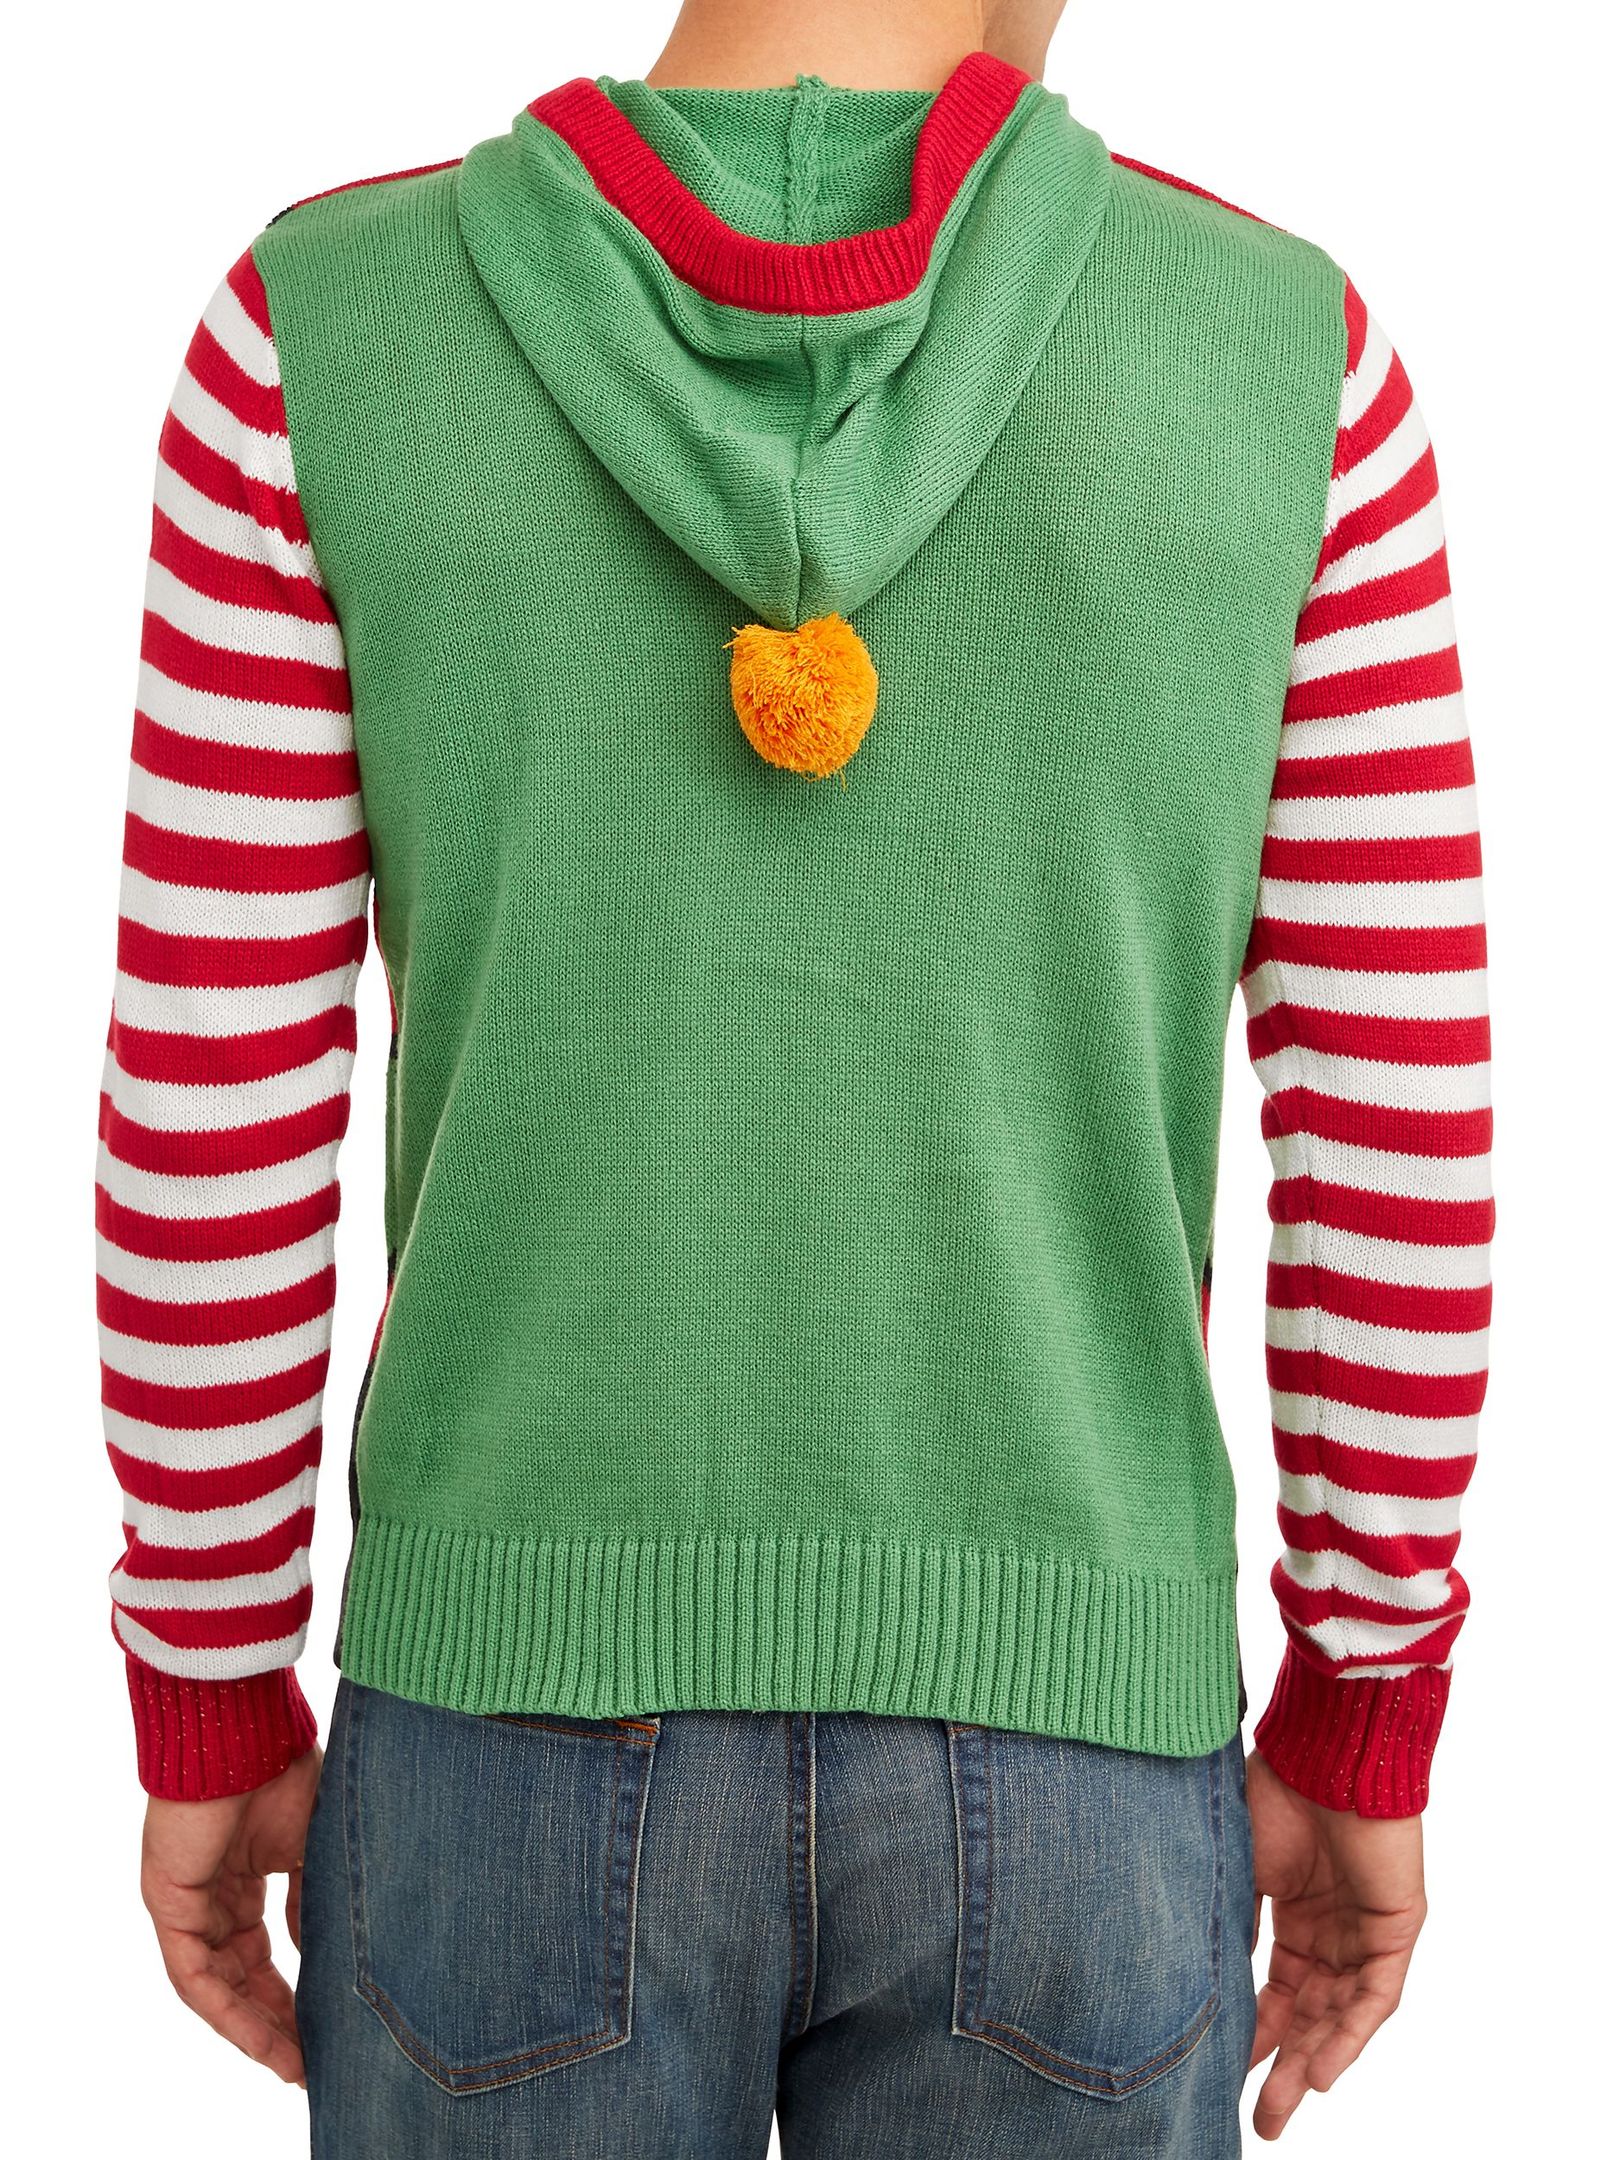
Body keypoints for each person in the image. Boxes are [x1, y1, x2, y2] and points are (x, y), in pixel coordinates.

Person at [100, 1, 1491, 2152]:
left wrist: (206, 1687)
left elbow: (216, 1100)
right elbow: (1396, 1122)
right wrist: (1363, 1703)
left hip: (502, 1735)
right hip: (1081, 1753)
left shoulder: (317, 340)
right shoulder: (1291, 363)